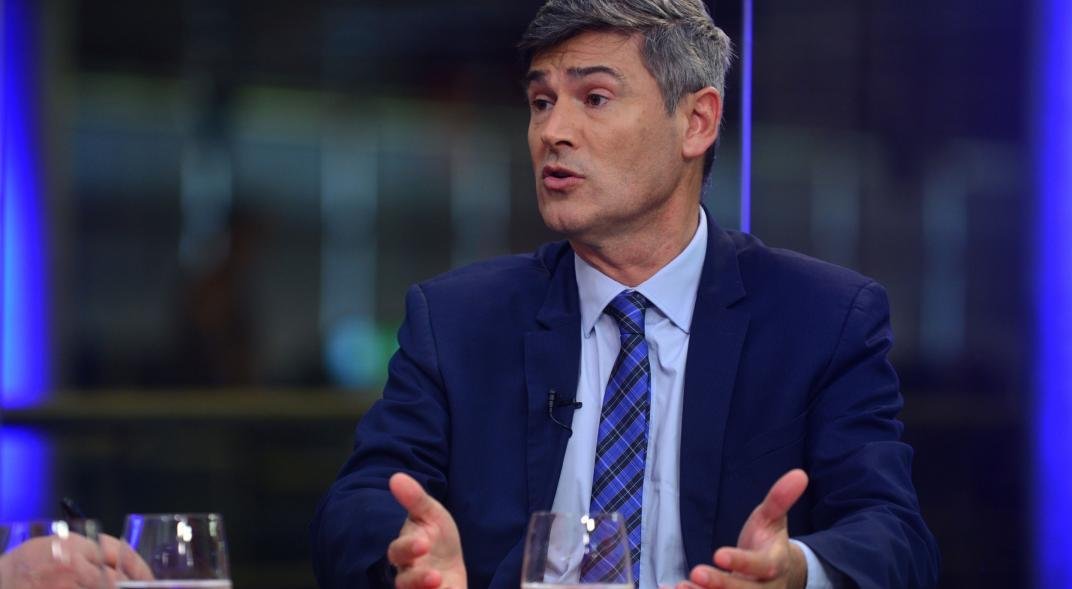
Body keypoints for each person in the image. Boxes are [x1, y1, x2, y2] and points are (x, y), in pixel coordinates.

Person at [311, 1, 940, 588]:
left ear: (696, 122)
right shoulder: (457, 320)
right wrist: (410, 552)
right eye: (541, 101)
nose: (553, 131)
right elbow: (355, 507)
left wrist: (798, 570)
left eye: (595, 98)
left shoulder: (822, 318)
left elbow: (894, 535)